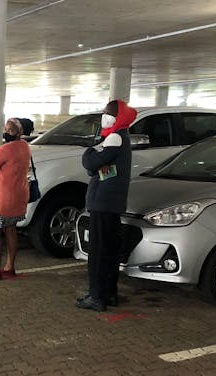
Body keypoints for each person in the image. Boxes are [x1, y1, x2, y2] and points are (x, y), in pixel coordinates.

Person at [76, 99, 137, 311]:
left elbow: (91, 162)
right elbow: (99, 165)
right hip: (111, 203)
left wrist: (90, 152)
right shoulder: (121, 137)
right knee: (110, 251)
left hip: (102, 203)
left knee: (98, 252)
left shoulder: (114, 138)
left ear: (116, 118)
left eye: (107, 113)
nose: (104, 117)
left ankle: (96, 296)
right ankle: (109, 294)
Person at [0, 118, 30, 279]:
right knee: (11, 229)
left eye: (10, 130)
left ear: (18, 131)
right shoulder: (25, 147)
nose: (6, 132)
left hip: (3, 196)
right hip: (19, 195)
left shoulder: (6, 149)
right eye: (6, 129)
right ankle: (10, 267)